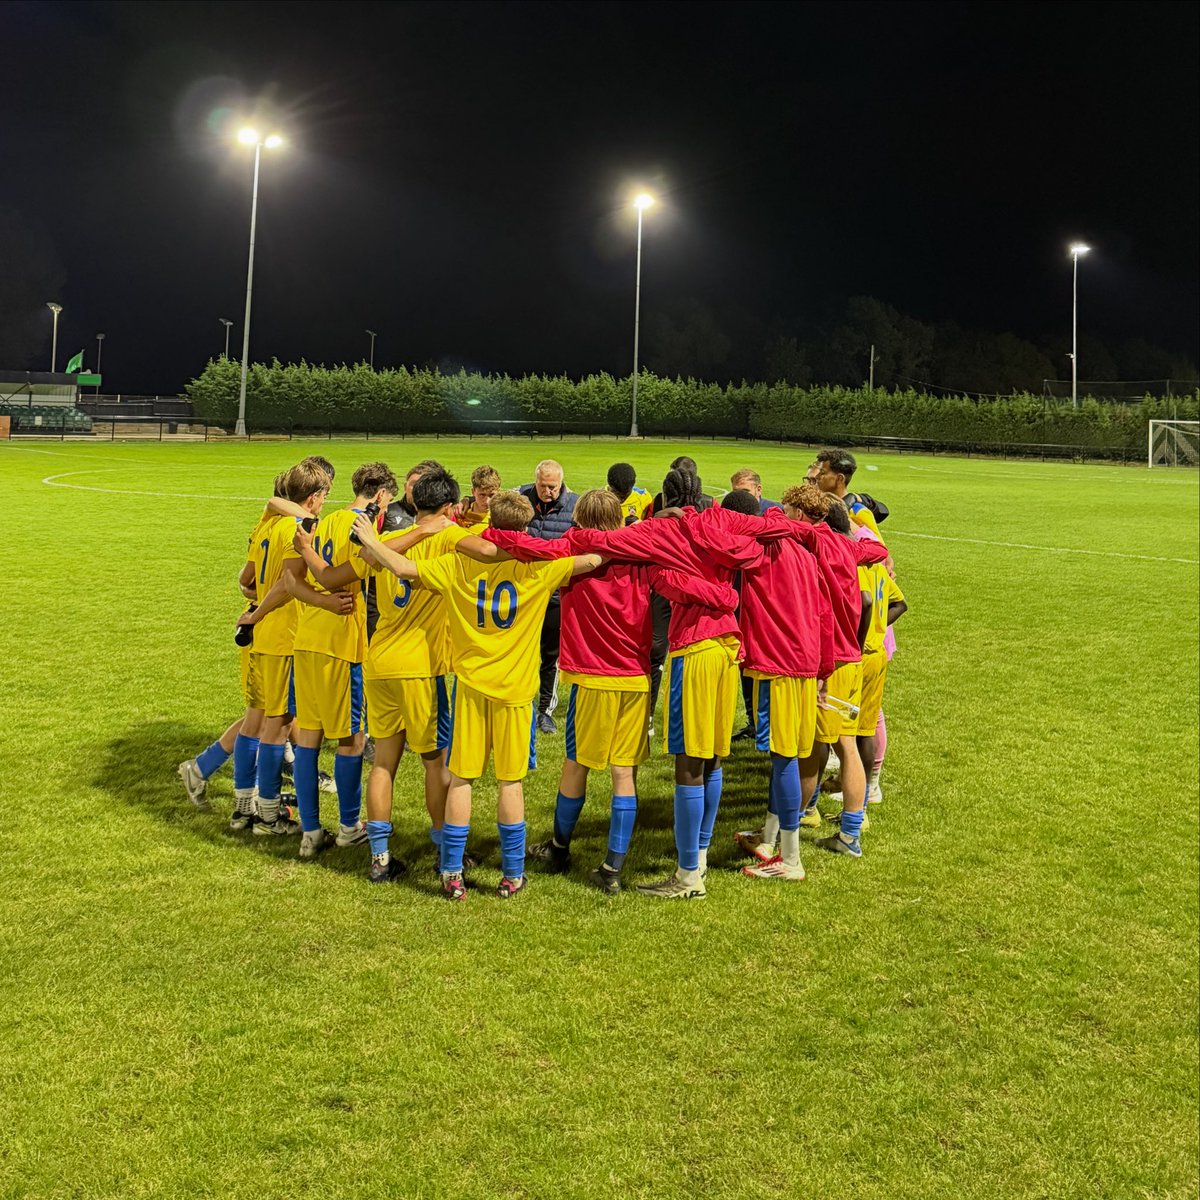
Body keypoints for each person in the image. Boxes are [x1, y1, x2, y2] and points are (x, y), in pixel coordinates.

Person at [522, 489, 814, 899]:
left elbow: (556, 552)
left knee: (602, 765)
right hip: (676, 665)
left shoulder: (618, 552)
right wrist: (728, 596)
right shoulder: (688, 543)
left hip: (618, 670)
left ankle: (579, 851)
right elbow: (747, 543)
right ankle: (648, 861)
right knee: (691, 762)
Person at [472, 488, 738, 895]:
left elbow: (533, 548)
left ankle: (559, 848)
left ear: (580, 518)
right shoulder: (643, 557)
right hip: (635, 679)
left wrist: (492, 534)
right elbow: (680, 583)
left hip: (591, 676)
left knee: (576, 765)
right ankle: (613, 866)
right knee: (623, 772)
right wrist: (726, 596)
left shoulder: (575, 549)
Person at [352, 491, 602, 901]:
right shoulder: (539, 568)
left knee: (462, 781)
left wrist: (370, 540)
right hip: (515, 692)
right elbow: (591, 560)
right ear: (525, 528)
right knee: (510, 783)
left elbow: (403, 568)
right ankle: (512, 875)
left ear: (490, 525)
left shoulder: (457, 563)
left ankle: (451, 871)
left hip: (469, 687)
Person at [357, 468, 467, 883]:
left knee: (383, 763)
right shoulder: (450, 538)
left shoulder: (390, 539)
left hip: (380, 661)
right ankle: (443, 851)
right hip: (422, 667)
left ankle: (380, 858)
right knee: (435, 763)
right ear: (449, 506)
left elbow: (369, 558)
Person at [718, 489, 833, 882]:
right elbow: (824, 612)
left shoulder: (761, 549)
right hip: (804, 664)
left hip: (777, 665)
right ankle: (769, 840)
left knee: (783, 759)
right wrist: (823, 670)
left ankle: (791, 859)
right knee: (788, 757)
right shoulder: (806, 553)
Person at [285, 462, 398, 859]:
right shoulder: (362, 528)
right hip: (340, 644)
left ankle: (310, 832)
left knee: (308, 740)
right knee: (351, 740)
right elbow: (335, 576)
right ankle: (349, 828)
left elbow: (292, 579)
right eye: (388, 500)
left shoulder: (324, 520)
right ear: (380, 495)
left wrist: (318, 596)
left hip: (306, 640)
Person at [232, 460, 334, 836]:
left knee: (254, 722)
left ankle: (243, 807)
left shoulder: (269, 524)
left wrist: (255, 611)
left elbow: (248, 578)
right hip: (285, 638)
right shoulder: (297, 529)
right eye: (324, 496)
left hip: (263, 638)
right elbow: (289, 583)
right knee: (279, 726)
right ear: (314, 496)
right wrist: (260, 611)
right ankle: (269, 817)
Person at [519, 459, 578, 735]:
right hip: (524, 594)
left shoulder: (574, 506)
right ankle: (523, 702)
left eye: (552, 486)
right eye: (543, 486)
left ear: (561, 483)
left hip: (555, 595)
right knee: (522, 653)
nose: (548, 491)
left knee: (551, 655)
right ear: (535, 481)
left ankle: (545, 711)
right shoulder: (521, 498)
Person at [812, 448, 882, 536]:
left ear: (840, 479)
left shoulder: (858, 512)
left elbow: (876, 544)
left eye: (822, 473)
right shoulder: (820, 505)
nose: (817, 476)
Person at [455, 465, 501, 533]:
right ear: (473, 492)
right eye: (482, 495)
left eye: (492, 495)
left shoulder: (500, 518)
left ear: (498, 492)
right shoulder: (460, 511)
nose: (487, 501)